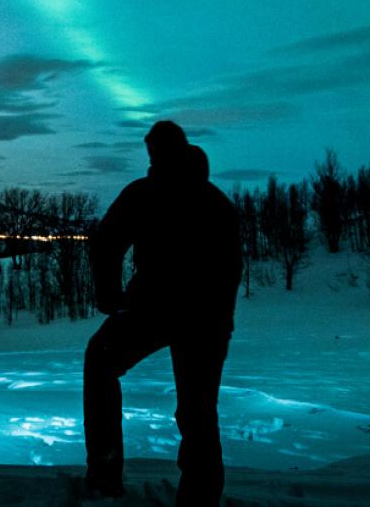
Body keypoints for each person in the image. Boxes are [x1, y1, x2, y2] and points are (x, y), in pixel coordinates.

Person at [84, 121, 241, 504]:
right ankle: (199, 496)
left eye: (154, 149)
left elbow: (106, 243)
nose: (152, 155)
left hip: (168, 310)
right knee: (197, 408)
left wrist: (109, 293)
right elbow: (107, 243)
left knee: (105, 363)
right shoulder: (213, 200)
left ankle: (106, 472)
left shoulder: (148, 193)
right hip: (192, 314)